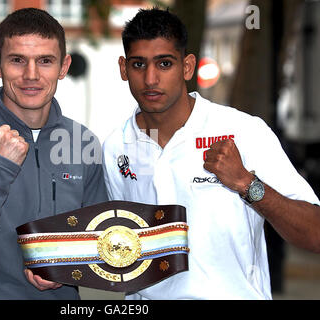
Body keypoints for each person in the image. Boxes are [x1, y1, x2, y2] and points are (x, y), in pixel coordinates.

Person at [102, 8, 320, 300]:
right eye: (139, 64)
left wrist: (247, 183)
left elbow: (314, 233)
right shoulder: (116, 145)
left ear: (188, 67)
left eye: (164, 63)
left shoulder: (243, 130)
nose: (151, 78)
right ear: (123, 68)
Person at [0, 8, 107, 300]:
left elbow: (100, 243)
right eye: (17, 60)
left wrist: (65, 267)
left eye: (45, 61)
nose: (31, 75)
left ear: (63, 67)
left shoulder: (83, 142)